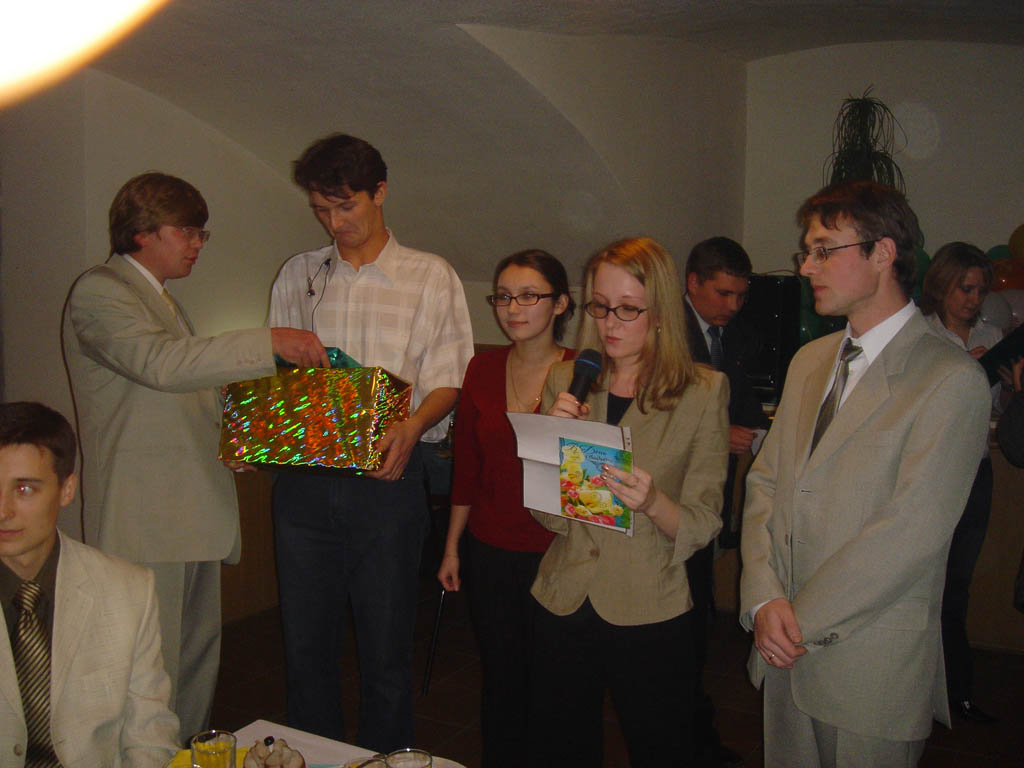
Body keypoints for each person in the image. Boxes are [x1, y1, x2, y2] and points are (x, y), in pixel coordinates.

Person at [62, 172, 327, 742]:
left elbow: (180, 395)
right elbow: (161, 365)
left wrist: (232, 439)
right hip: (145, 521)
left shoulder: (162, 300)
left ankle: (188, 755)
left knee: (192, 670)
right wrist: (267, 341)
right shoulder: (100, 291)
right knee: (148, 677)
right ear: (142, 231)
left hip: (191, 514)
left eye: (201, 233)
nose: (198, 244)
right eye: (187, 231)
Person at [740, 181, 991, 767]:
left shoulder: (949, 378)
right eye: (807, 251)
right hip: (780, 646)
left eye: (824, 250)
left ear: (882, 253)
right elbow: (765, 484)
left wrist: (795, 622)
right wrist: (763, 596)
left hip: (868, 664)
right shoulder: (809, 362)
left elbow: (909, 534)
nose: (806, 267)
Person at [267, 133, 474, 752]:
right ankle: (312, 758)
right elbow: (280, 377)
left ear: (379, 192)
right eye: (321, 210)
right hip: (305, 481)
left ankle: (387, 759)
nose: (335, 223)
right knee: (305, 645)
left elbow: (450, 376)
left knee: (386, 648)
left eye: (346, 206)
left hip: (389, 475)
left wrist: (413, 426)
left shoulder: (430, 275)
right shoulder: (299, 273)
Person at [526, 236, 729, 767]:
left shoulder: (703, 391)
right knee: (562, 750)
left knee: (661, 748)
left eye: (628, 309)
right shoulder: (567, 378)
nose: (609, 323)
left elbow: (705, 521)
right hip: (565, 595)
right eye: (600, 306)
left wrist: (654, 501)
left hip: (648, 603)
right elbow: (546, 514)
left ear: (659, 312)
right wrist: (548, 448)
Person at [437, 249, 574, 768]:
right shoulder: (483, 367)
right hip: (491, 545)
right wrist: (453, 547)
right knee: (501, 678)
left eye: (529, 296)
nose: (513, 309)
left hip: (559, 550)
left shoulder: (585, 370)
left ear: (560, 304)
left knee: (557, 682)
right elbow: (467, 467)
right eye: (503, 297)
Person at [0, 401, 179, 766]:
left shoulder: (128, 591)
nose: (2, 510)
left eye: (25, 489)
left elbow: (150, 736)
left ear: (67, 490)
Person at [684, 236, 767, 767]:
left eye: (741, 295)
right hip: (672, 498)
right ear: (692, 283)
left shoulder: (735, 335)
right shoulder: (666, 332)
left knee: (699, 615)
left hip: (711, 495)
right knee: (687, 620)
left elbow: (746, 404)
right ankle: (692, 736)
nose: (733, 306)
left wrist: (762, 431)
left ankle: (693, 729)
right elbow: (658, 417)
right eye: (723, 293)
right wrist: (721, 434)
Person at [920, 241, 1002, 723]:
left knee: (959, 583)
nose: (973, 299)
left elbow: (999, 412)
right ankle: (938, 688)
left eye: (980, 290)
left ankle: (953, 688)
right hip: (934, 471)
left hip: (977, 469)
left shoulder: (993, 333)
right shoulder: (923, 335)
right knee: (932, 582)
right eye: (964, 289)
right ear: (941, 286)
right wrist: (966, 371)